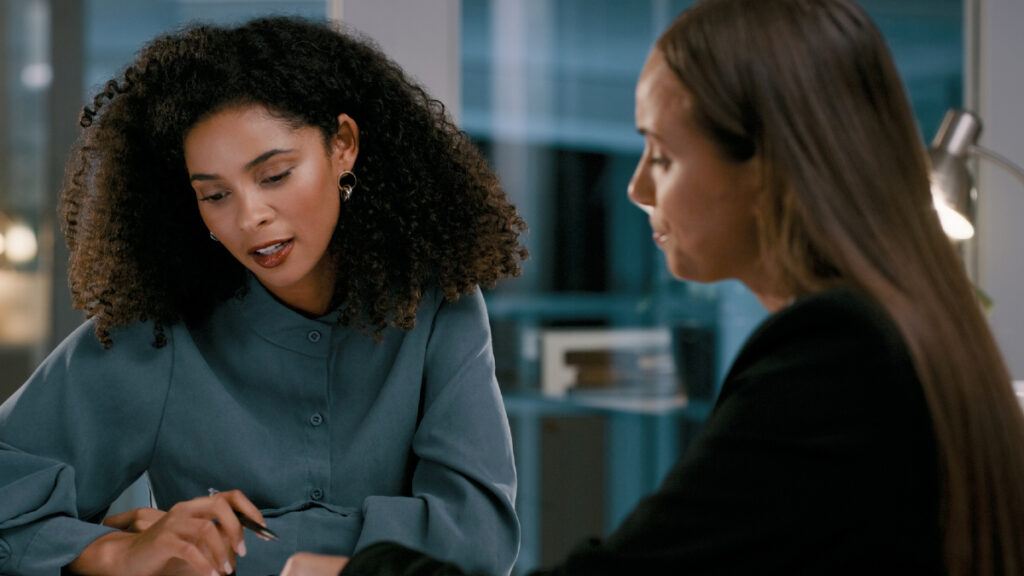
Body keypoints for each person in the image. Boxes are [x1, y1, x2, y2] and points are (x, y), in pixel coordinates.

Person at [273, 0, 1024, 575]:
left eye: (662, 155)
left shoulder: (840, 354)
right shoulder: (903, 334)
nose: (635, 188)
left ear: (767, 169)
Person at [0, 15, 528, 576]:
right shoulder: (163, 333)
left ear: (342, 145)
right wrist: (110, 552)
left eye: (274, 175)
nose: (250, 216)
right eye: (215, 194)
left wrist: (216, 550)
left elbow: (479, 541)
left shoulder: (438, 302)